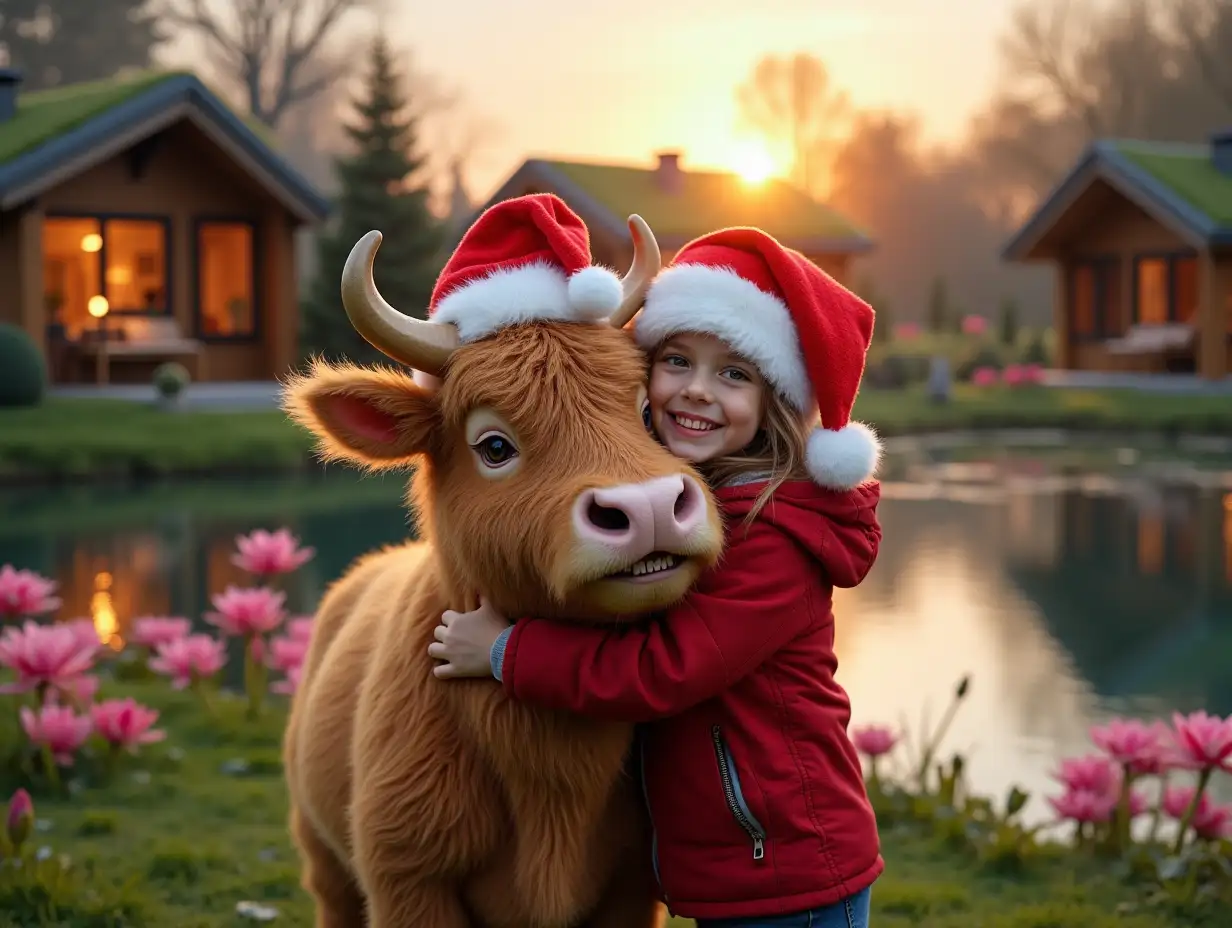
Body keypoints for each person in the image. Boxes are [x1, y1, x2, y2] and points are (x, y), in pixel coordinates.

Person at [428, 226, 884, 928]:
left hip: (789, 866)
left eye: (734, 374)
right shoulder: (692, 501)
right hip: (737, 865)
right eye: (676, 361)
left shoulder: (776, 540)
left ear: (775, 405)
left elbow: (663, 672)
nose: (697, 392)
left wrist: (503, 651)